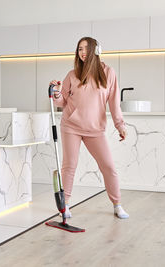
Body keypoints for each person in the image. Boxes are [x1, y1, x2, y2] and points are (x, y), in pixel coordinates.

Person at [50, 36, 129, 219]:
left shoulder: (108, 73)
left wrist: (120, 125)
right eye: (79, 49)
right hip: (71, 126)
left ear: (96, 50)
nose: (82, 52)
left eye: (86, 48)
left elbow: (114, 103)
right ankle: (65, 205)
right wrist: (55, 93)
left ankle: (117, 204)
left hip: (95, 129)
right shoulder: (72, 74)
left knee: (108, 166)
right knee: (69, 165)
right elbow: (62, 101)